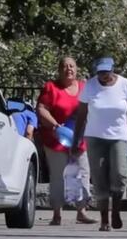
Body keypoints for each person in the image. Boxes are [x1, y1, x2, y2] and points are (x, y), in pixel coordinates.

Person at [71, 57, 127, 231]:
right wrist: (76, 140)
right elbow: (81, 115)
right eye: (100, 72)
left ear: (113, 70)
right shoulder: (90, 86)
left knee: (120, 174)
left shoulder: (125, 85)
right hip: (94, 137)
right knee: (99, 178)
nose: (104, 75)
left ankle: (116, 211)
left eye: (106, 72)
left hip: (119, 137)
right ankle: (104, 219)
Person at [36, 57, 96, 226]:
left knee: (83, 173)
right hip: (57, 140)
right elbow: (41, 109)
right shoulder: (51, 87)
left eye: (72, 66)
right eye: (64, 66)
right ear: (59, 70)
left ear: (76, 69)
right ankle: (57, 214)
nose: (68, 69)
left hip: (79, 140)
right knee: (59, 176)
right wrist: (55, 125)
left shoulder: (84, 87)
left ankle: (81, 212)